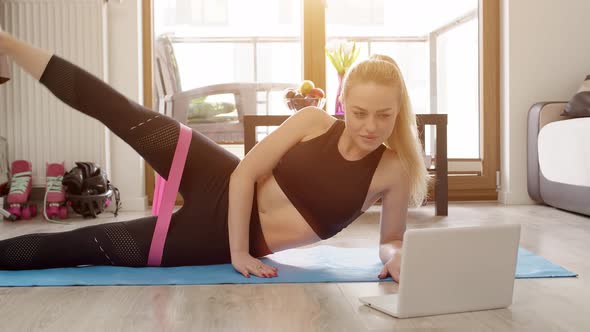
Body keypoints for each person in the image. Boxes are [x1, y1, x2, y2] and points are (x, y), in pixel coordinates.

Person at [0, 27, 429, 282]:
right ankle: (6, 41)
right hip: (221, 180)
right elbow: (244, 175)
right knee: (119, 109)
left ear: (399, 112)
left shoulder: (393, 170)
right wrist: (240, 254)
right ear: (342, 101)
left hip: (213, 236)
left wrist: (397, 261)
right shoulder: (313, 121)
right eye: (359, 113)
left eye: (383, 115)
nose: (370, 126)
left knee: (80, 246)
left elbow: (390, 240)